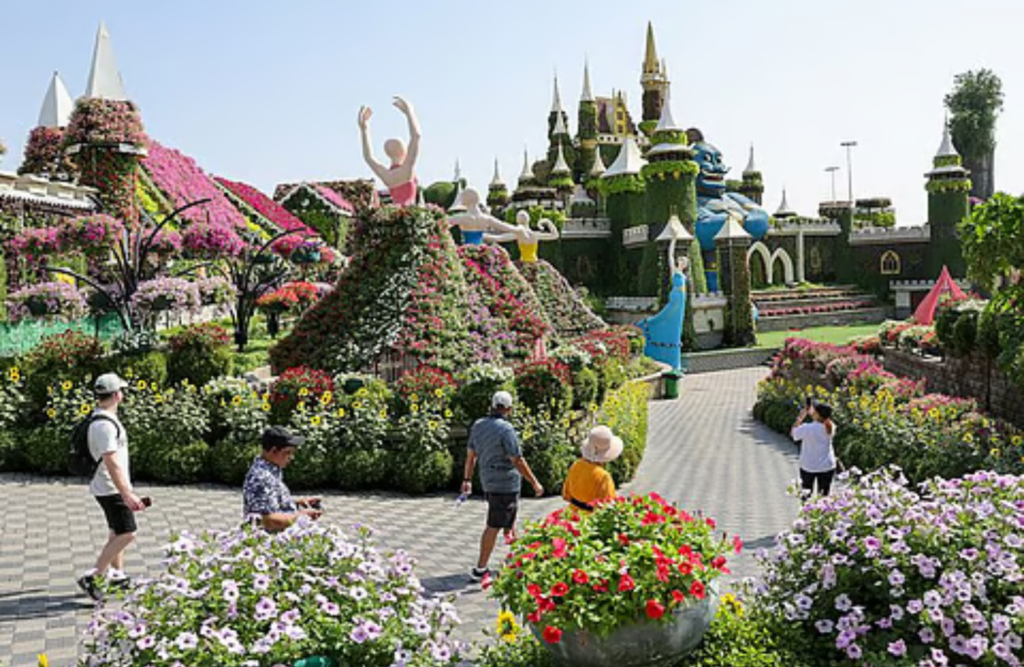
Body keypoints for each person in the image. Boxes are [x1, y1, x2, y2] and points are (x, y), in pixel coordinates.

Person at [462, 391, 544, 580]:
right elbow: (517, 459)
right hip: (505, 483)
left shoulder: (478, 426)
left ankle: (517, 562)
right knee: (494, 525)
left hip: (488, 482)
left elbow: (470, 456)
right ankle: (480, 569)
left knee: (509, 521)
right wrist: (535, 482)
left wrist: (467, 480)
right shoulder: (506, 429)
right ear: (508, 409)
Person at [77, 373, 144, 601]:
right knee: (128, 533)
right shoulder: (105, 425)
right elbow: (112, 462)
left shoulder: (98, 417)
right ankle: (94, 576)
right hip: (110, 487)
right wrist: (127, 494)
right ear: (117, 395)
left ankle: (117, 575)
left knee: (116, 530)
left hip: (105, 485)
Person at [243, 426, 323, 532]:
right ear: (274, 451)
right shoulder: (262, 477)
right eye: (287, 453)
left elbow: (272, 505)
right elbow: (268, 521)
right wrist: (300, 516)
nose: (291, 457)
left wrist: (297, 503)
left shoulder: (271, 469)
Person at [358, 96, 421, 206]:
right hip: (410, 213)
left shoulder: (387, 175)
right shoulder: (406, 169)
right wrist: (410, 112)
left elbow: (368, 157)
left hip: (395, 214)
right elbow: (416, 136)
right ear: (404, 150)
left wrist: (364, 129)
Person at [562, 425, 622, 514]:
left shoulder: (576, 465)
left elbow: (566, 495)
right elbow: (609, 507)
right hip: (591, 521)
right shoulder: (603, 476)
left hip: (572, 515)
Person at [790, 401, 837, 496]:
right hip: (827, 466)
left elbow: (793, 434)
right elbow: (822, 420)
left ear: (817, 414)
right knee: (823, 497)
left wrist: (800, 418)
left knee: (805, 495)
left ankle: (805, 510)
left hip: (808, 466)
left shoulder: (807, 428)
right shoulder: (831, 426)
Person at [448, 188, 520, 245]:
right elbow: (506, 227)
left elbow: (442, 222)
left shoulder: (461, 218)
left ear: (467, 199)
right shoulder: (486, 218)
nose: (461, 199)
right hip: (482, 252)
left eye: (462, 197)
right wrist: (520, 230)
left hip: (466, 253)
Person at [484, 209, 560, 262]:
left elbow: (499, 238)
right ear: (528, 220)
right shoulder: (534, 234)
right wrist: (547, 221)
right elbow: (555, 235)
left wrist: (480, 235)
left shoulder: (519, 234)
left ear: (517, 221)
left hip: (524, 263)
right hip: (536, 262)